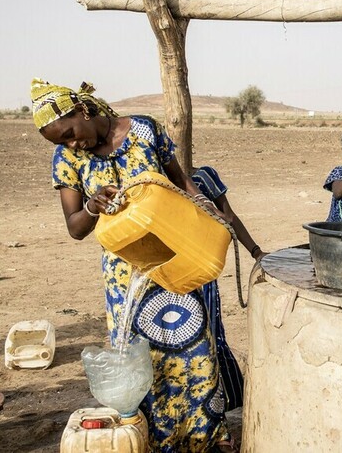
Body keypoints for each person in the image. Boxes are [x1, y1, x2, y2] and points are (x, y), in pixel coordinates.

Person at [31, 78, 237, 452]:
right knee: (141, 359)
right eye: (61, 142)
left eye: (70, 133)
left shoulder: (144, 129)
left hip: (178, 257)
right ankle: (154, 441)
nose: (71, 144)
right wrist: (93, 205)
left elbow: (181, 181)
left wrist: (204, 206)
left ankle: (206, 436)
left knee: (193, 346)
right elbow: (75, 227)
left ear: (84, 110)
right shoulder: (68, 160)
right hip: (126, 276)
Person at [192, 165, 265, 413]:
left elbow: (230, 217)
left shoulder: (202, 178)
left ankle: (214, 410)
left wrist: (256, 252)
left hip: (202, 275)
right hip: (164, 276)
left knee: (209, 336)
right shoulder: (154, 178)